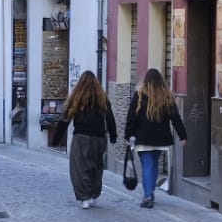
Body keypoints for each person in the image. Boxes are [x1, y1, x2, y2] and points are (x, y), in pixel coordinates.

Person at [124, 68, 186, 208]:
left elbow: (131, 117)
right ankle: (150, 193)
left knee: (147, 165)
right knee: (153, 165)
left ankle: (148, 196)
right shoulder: (166, 96)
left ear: (146, 80)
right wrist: (182, 135)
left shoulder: (139, 95)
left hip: (143, 137)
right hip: (160, 138)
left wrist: (128, 135)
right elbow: (175, 118)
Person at [57, 71, 115, 209]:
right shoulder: (102, 97)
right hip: (99, 138)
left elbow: (65, 119)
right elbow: (110, 117)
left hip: (81, 137)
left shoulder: (77, 97)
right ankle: (93, 194)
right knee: (96, 166)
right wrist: (113, 135)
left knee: (79, 168)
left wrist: (57, 138)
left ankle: (84, 197)